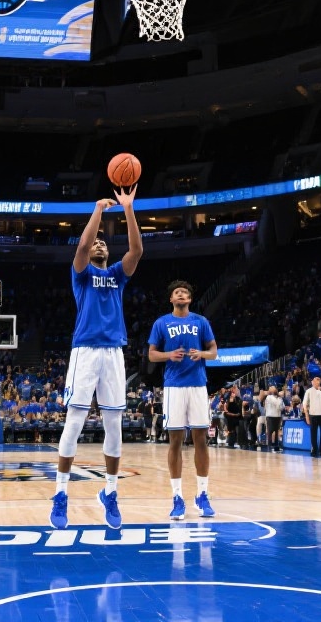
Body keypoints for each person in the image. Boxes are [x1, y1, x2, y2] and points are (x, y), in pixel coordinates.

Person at [50, 186, 142, 531]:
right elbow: (81, 247)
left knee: (114, 425)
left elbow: (137, 250)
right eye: (96, 243)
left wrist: (128, 208)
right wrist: (98, 211)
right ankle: (61, 494)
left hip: (113, 353)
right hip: (85, 351)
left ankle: (111, 492)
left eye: (104, 242)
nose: (99, 244)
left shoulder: (117, 275)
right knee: (74, 422)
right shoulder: (82, 274)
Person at [147, 280, 218, 520]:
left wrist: (202, 354)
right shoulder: (161, 323)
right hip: (174, 387)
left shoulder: (201, 321)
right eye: (177, 292)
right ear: (171, 299)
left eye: (185, 292)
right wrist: (169, 355)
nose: (181, 294)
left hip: (198, 385)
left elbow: (214, 351)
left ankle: (202, 494)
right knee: (175, 441)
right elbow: (152, 354)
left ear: (190, 299)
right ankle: (177, 497)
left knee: (201, 440)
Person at [302, 376, 321, 457]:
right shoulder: (308, 391)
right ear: (312, 382)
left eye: (318, 380)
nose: (317, 382)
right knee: (313, 433)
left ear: (320, 382)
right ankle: (314, 450)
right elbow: (304, 404)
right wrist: (307, 416)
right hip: (313, 415)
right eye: (315, 380)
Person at [263, 386, 284, 452]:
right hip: (270, 416)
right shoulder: (269, 397)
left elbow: (282, 407)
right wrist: (279, 402)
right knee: (270, 431)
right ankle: (269, 445)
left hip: (278, 416)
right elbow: (277, 405)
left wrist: (279, 401)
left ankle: (276, 445)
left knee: (277, 431)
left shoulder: (279, 398)